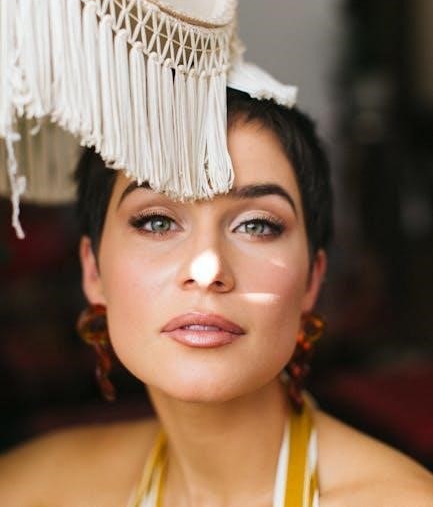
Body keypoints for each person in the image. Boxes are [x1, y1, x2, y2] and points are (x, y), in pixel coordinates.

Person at [0, 88, 432, 506]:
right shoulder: (33, 488)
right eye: (156, 222)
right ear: (93, 270)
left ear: (312, 280)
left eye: (257, 226)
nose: (208, 271)